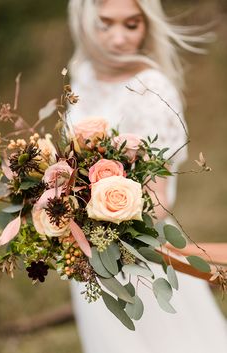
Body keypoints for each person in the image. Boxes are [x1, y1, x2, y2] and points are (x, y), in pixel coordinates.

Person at [67, 1, 227, 352]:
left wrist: (101, 222)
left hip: (138, 250)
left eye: (131, 24)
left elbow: (159, 201)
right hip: (86, 251)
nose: (118, 38)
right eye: (105, 24)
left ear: (147, 25)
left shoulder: (150, 87)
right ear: (83, 22)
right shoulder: (81, 74)